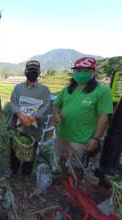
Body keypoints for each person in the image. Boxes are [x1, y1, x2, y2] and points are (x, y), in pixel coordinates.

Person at [53, 57, 113, 185]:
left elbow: (104, 116)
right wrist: (56, 114)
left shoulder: (102, 91)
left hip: (81, 139)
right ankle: (64, 180)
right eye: (78, 70)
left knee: (77, 166)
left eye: (85, 70)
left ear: (93, 72)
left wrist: (96, 138)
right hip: (62, 135)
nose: (80, 73)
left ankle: (76, 186)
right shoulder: (67, 89)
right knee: (61, 160)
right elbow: (56, 106)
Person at [7, 60, 51, 177]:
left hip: (34, 128)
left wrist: (33, 118)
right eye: (30, 70)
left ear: (39, 73)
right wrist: (20, 116)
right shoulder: (18, 88)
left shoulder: (44, 90)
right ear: (25, 72)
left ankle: (26, 172)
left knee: (31, 151)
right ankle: (13, 169)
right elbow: (13, 102)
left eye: (35, 71)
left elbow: (46, 107)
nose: (32, 73)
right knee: (14, 148)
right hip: (18, 126)